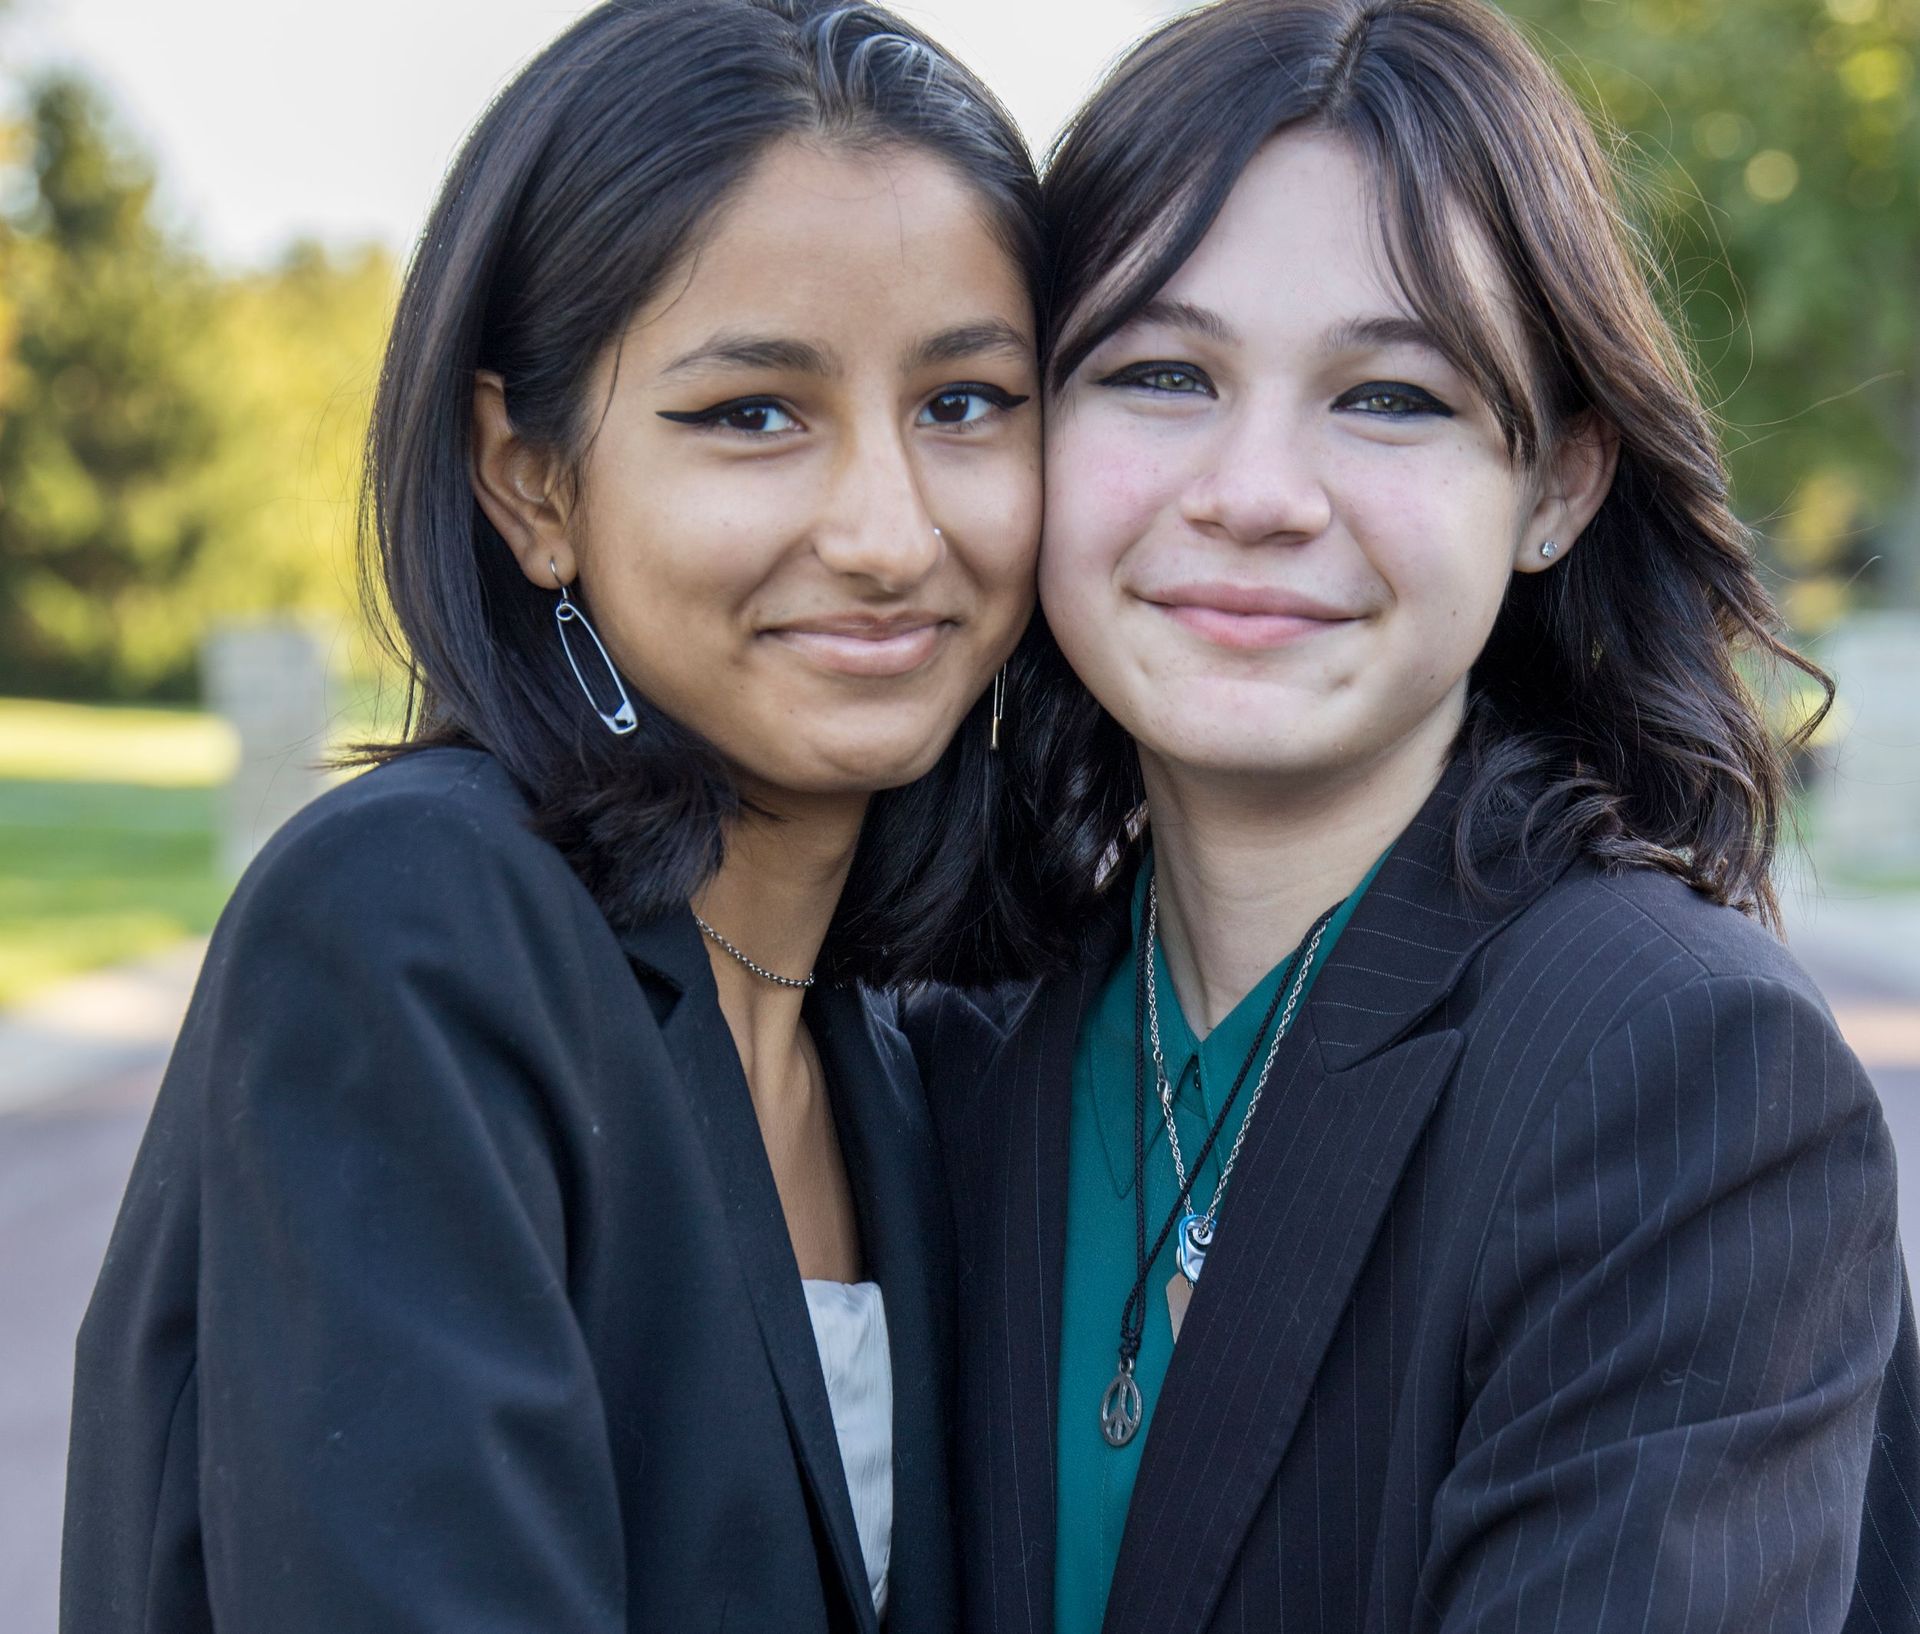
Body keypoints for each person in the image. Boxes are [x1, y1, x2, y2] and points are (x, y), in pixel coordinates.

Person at [907, 1, 1920, 1629]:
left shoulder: (1683, 1074)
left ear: (1557, 486)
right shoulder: (948, 1032)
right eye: (1160, 372)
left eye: (1389, 398)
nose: (1254, 490)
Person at [61, 3, 1042, 1629]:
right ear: (530, 479)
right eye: (753, 413)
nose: (887, 529)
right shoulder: (414, 921)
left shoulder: (885, 1040)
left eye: (964, 403)